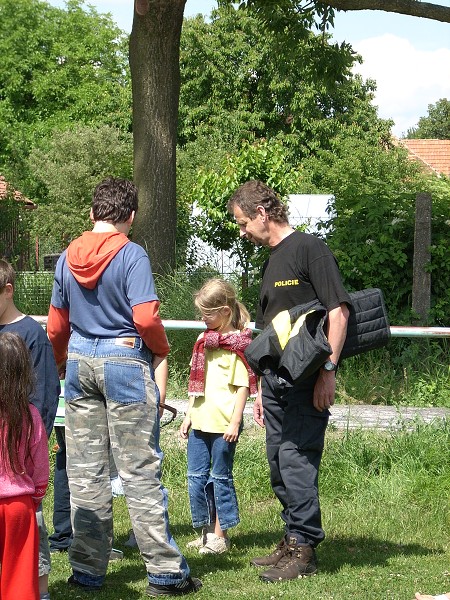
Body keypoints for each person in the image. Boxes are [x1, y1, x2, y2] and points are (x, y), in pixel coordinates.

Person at [47, 176, 201, 596]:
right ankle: (166, 573)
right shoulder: (131, 254)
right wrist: (160, 350)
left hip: (79, 360)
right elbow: (147, 318)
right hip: (125, 358)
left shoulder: (65, 258)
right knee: (138, 470)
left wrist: (63, 363)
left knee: (85, 472)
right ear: (130, 216)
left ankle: (87, 570)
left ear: (92, 212)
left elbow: (57, 324)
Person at [227, 180, 351, 583]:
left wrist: (327, 372)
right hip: (275, 382)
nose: (243, 232)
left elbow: (338, 314)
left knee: (297, 462)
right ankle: (291, 537)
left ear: (263, 214)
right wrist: (262, 387)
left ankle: (305, 549)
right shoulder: (270, 259)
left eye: (244, 223)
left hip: (308, 380)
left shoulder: (310, 249)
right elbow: (270, 331)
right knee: (279, 463)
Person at [179, 278, 257, 554]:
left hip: (224, 424)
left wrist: (236, 421)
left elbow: (242, 387)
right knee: (196, 477)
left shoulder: (237, 344)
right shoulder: (203, 341)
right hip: (200, 420)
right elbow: (195, 382)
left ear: (225, 311)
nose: (203, 319)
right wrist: (188, 414)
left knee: (219, 478)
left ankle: (220, 536)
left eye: (208, 314)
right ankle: (205, 533)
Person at [0, 259, 60, 600]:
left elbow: (45, 400)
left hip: (19, 480)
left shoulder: (32, 336)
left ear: (8, 290)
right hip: (22, 490)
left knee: (30, 557)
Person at [0, 332, 50, 600]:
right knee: (19, 579)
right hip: (19, 506)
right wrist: (35, 499)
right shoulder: (30, 415)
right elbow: (40, 469)